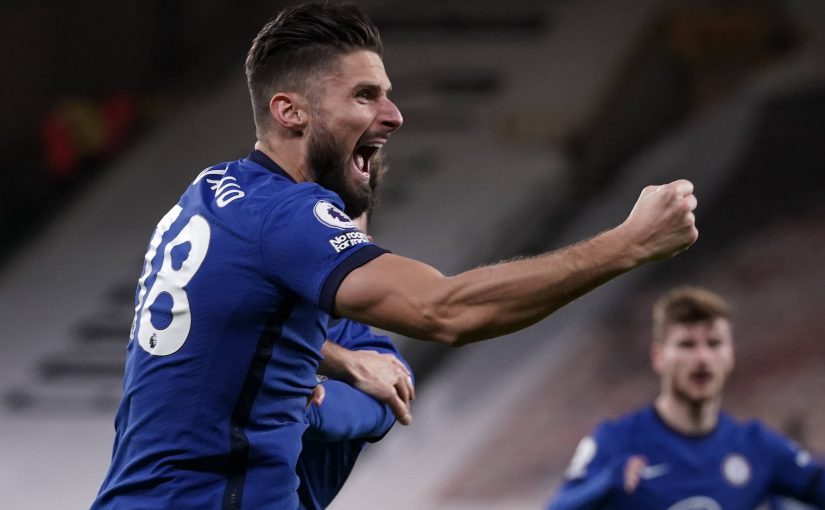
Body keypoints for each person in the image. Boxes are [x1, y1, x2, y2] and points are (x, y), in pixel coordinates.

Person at [92, 3, 699, 509]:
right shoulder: (287, 218)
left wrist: (326, 369)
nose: (394, 115)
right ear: (290, 111)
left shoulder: (212, 196)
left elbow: (381, 381)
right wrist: (629, 244)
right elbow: (445, 311)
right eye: (365, 96)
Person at [547, 286, 825, 510]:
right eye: (687, 345)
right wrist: (604, 485)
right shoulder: (615, 442)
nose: (702, 357)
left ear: (730, 354)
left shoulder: (757, 447)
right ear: (658, 357)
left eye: (714, 343)